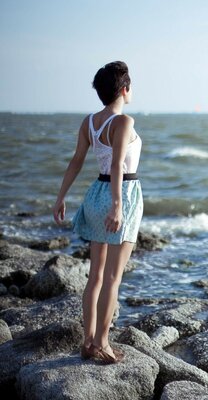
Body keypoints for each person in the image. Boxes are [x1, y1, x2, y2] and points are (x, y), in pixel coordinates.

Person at [52, 61, 143, 363]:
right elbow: (118, 165)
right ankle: (102, 344)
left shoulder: (89, 121)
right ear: (124, 89)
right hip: (121, 195)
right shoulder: (124, 121)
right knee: (113, 278)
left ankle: (87, 341)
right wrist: (118, 205)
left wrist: (61, 197)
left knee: (95, 277)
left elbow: (76, 161)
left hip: (95, 195)